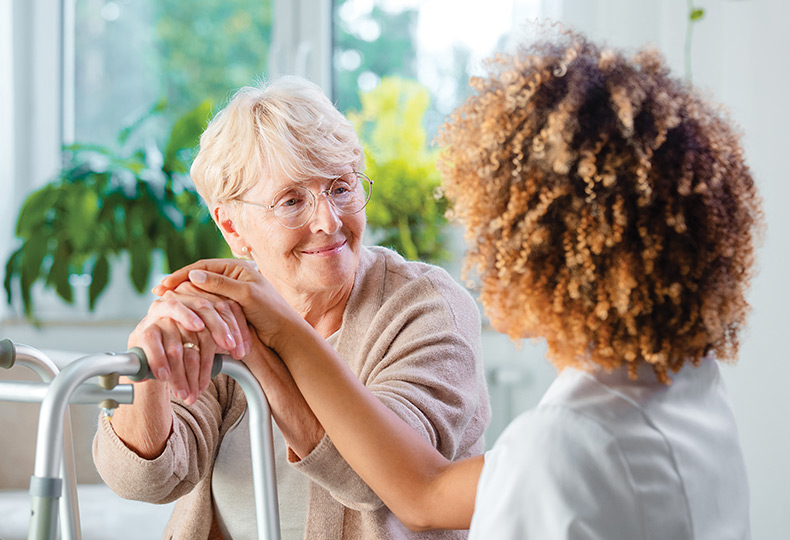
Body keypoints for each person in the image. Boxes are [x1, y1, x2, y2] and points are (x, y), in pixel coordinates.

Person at [158, 30, 762, 539]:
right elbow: (422, 489)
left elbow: (420, 490)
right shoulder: (694, 393)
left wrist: (280, 338)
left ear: (534, 254)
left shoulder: (560, 446)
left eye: (490, 229)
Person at [92, 76, 491, 540]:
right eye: (292, 201)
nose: (328, 221)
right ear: (232, 226)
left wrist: (265, 349)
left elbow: (389, 482)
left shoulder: (425, 306)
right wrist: (150, 366)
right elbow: (144, 480)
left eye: (341, 188)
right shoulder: (218, 313)